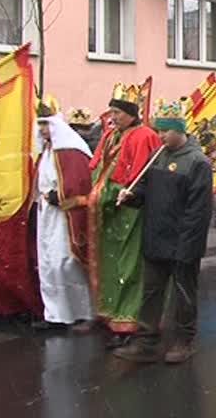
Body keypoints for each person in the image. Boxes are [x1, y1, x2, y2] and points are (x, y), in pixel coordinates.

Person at [114, 100, 213, 364]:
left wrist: (187, 248)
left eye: (165, 131)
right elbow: (145, 189)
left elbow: (199, 213)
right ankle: (146, 340)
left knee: (183, 293)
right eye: (158, 131)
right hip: (156, 238)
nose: (160, 136)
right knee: (151, 292)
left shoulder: (197, 163)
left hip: (182, 242)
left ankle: (184, 340)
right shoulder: (157, 156)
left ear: (179, 130)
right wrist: (132, 195)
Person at [88, 83, 162, 348]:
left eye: (118, 112)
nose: (113, 117)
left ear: (131, 113)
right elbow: (96, 167)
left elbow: (141, 178)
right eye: (111, 112)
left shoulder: (144, 136)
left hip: (131, 211)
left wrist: (118, 193)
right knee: (110, 262)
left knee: (128, 265)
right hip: (109, 211)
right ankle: (110, 313)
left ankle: (129, 320)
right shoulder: (110, 135)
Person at [34, 103, 95, 330]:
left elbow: (79, 183)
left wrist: (57, 196)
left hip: (64, 216)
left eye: (45, 125)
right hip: (47, 216)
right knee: (48, 263)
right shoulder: (48, 150)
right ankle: (56, 314)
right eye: (39, 125)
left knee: (66, 263)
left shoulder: (71, 149)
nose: (41, 130)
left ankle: (83, 313)